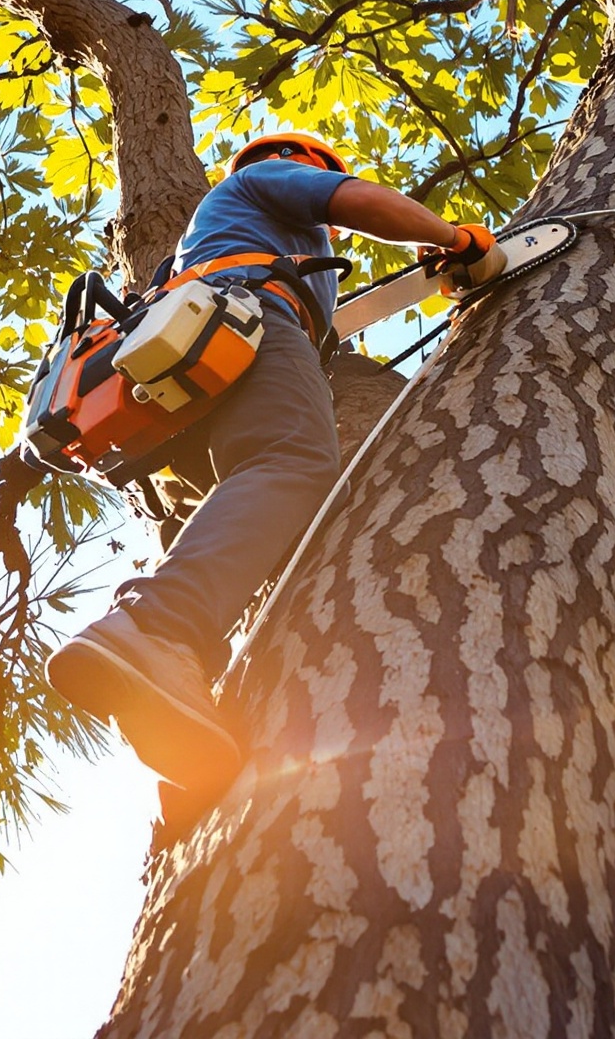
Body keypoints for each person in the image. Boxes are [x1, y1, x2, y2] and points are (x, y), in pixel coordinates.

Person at [45, 131, 504, 797]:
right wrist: (453, 239)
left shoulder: (196, 249)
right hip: (248, 319)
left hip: (192, 376)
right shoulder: (267, 179)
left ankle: (176, 675)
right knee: (292, 461)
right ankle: (157, 628)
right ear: (300, 162)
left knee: (262, 489)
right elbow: (359, 201)